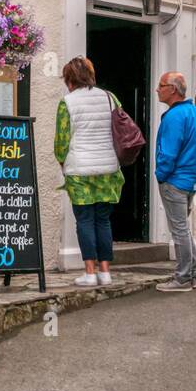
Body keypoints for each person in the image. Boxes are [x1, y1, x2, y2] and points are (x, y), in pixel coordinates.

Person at [54, 56, 124, 288]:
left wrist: (63, 162)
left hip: (80, 170)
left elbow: (62, 141)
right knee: (103, 219)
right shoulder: (110, 97)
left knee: (84, 220)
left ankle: (89, 272)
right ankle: (105, 271)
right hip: (108, 168)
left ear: (69, 79)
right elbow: (120, 131)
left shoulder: (68, 102)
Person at [154, 72, 196, 293]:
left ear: (173, 90)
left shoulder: (175, 116)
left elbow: (168, 152)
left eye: (161, 85)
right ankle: (191, 275)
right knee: (183, 228)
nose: (157, 89)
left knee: (179, 230)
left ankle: (183, 278)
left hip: (175, 180)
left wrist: (161, 174)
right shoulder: (195, 111)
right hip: (191, 179)